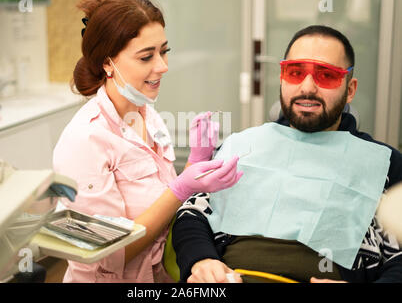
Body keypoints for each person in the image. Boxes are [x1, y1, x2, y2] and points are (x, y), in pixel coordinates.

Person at [172, 25, 402, 283]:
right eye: (295, 73)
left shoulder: (384, 164)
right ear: (282, 78)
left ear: (350, 88)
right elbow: (192, 213)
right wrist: (201, 260)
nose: (307, 87)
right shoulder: (244, 145)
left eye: (326, 75)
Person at [52, 0, 243, 283]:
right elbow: (109, 253)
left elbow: (157, 198)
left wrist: (194, 163)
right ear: (107, 64)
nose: (163, 66)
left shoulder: (147, 113)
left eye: (164, 51)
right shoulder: (85, 140)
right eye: (146, 56)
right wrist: (181, 188)